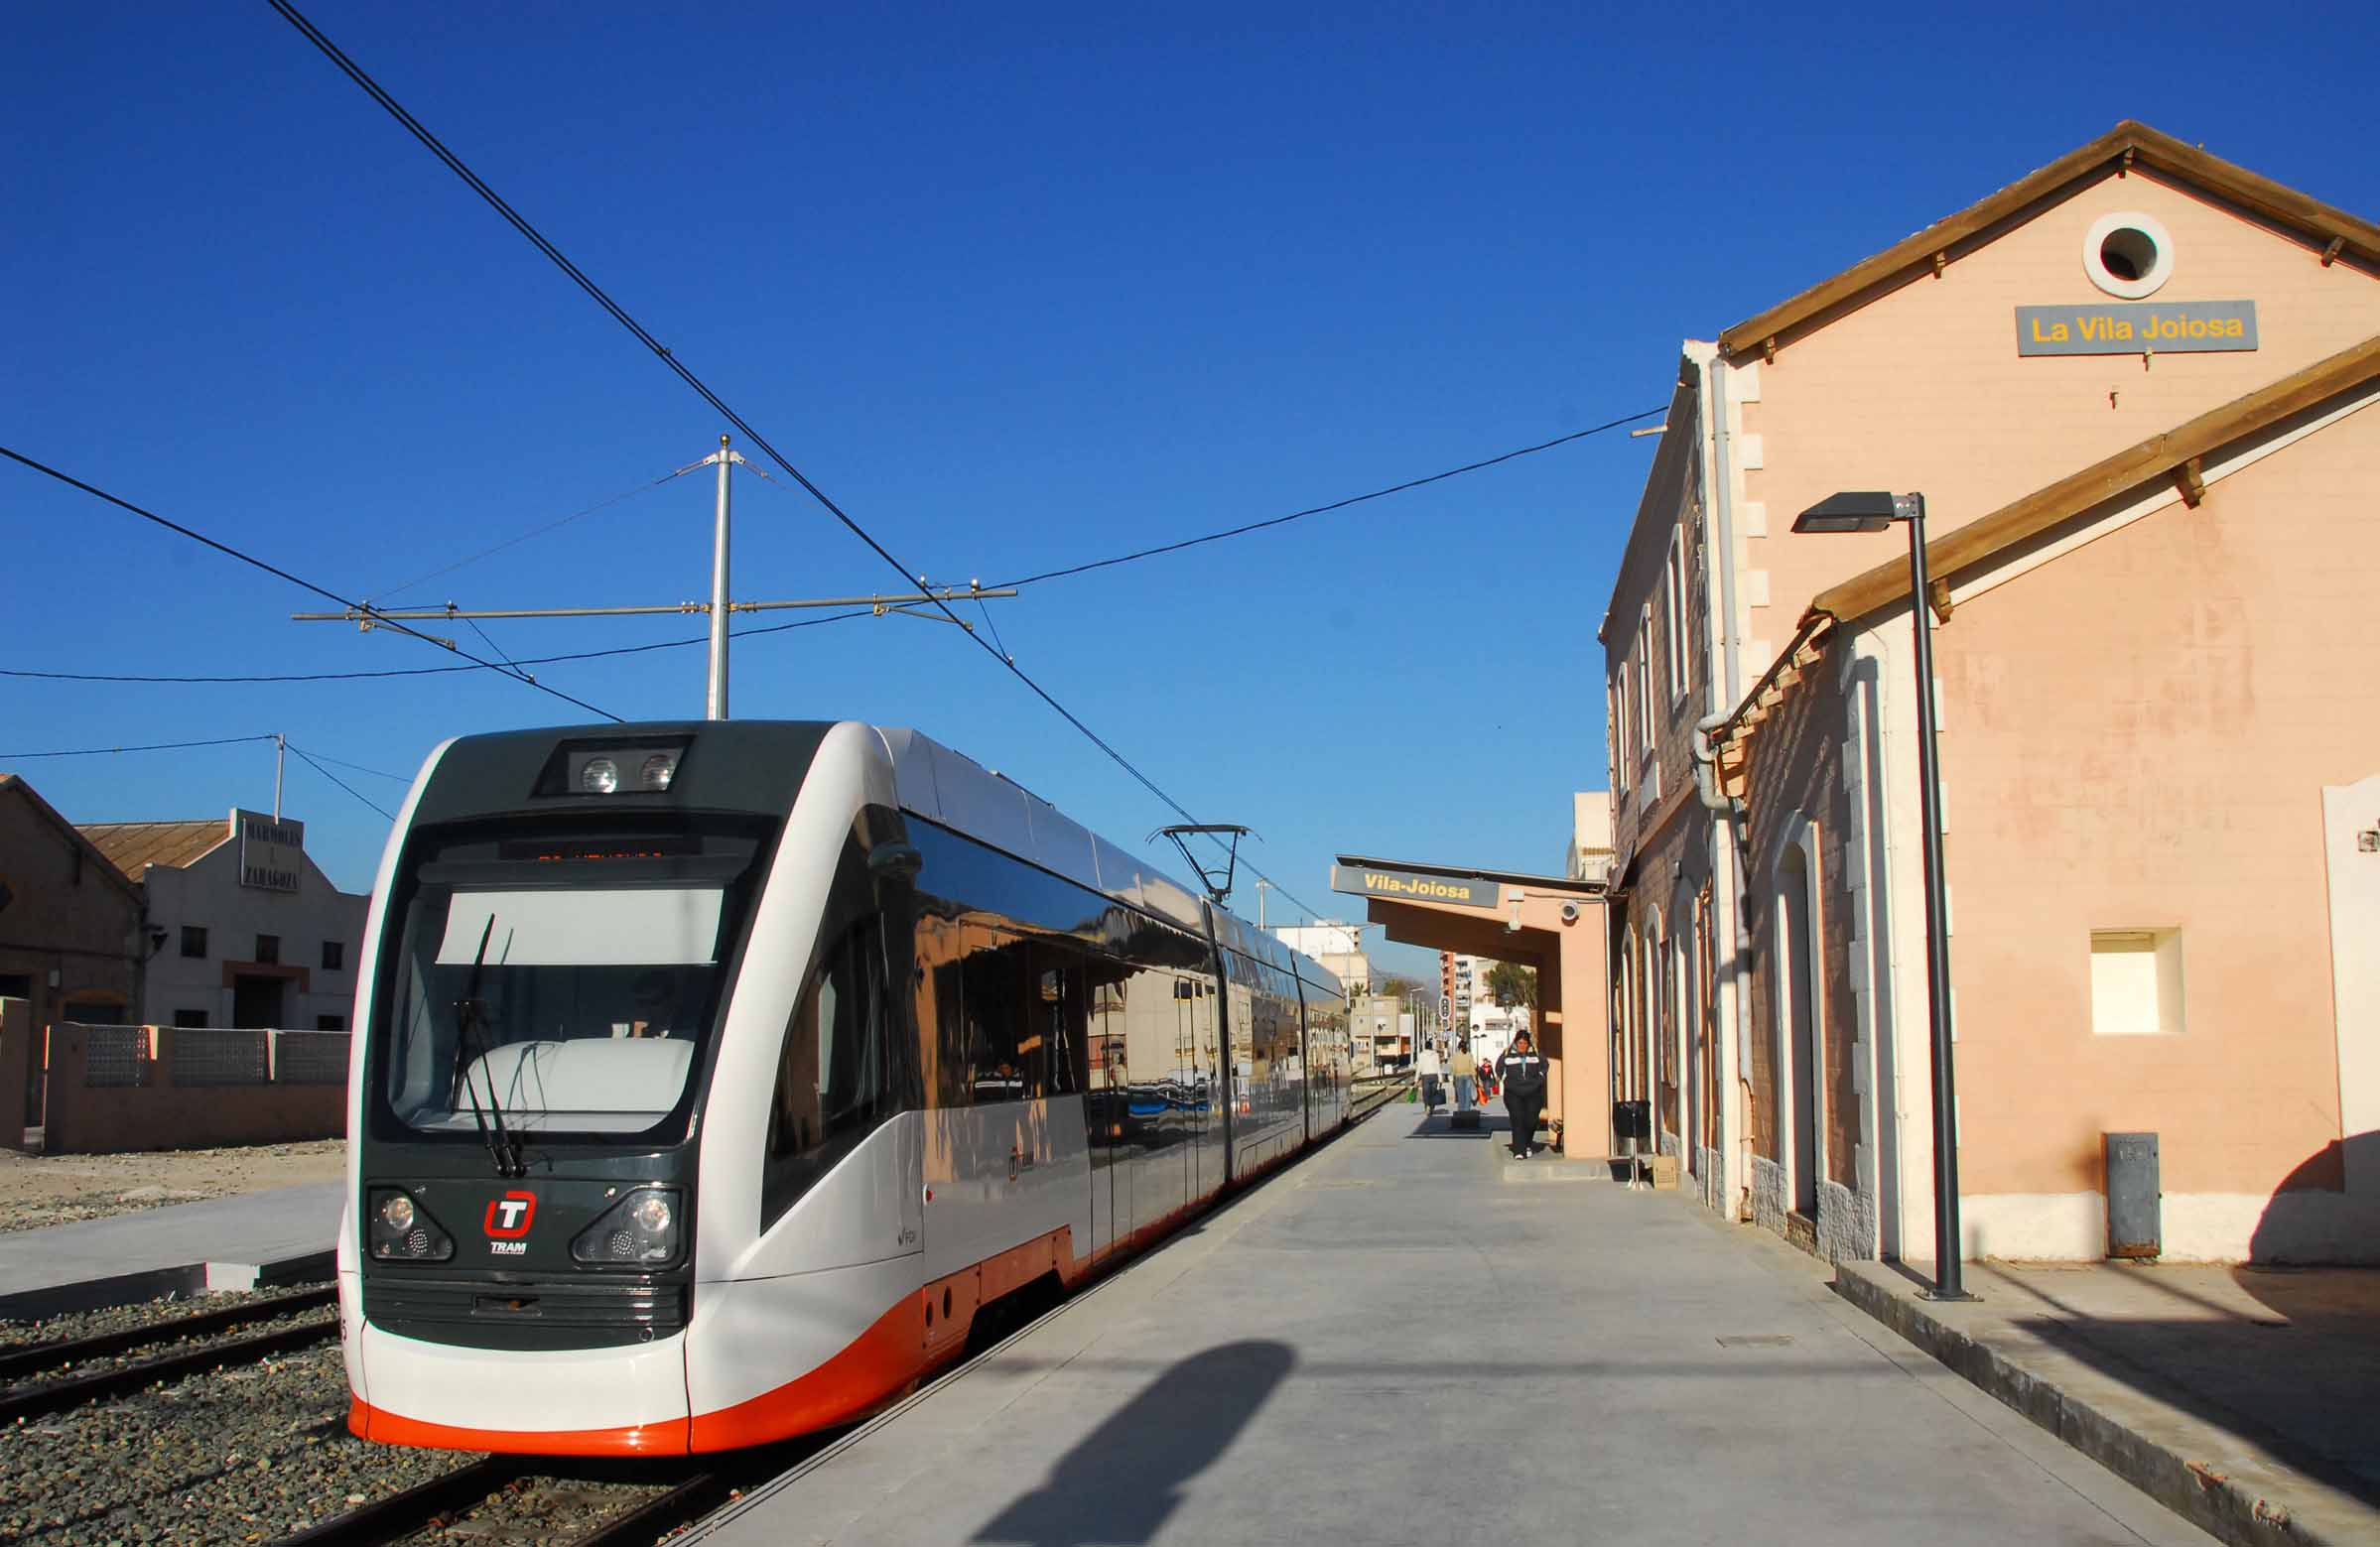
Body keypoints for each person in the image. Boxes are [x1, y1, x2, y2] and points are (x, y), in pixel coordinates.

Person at [1496, 1032, 1548, 1160]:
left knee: (1531, 1120)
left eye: (1525, 1043)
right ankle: (1519, 1150)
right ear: (1515, 1042)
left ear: (1528, 1043)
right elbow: (1499, 1068)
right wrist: (1505, 1080)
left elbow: (1545, 1065)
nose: (1522, 1046)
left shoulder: (1535, 1053)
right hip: (1513, 1093)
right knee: (1517, 1119)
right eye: (1520, 1043)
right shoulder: (1507, 1054)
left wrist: (1540, 1078)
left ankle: (1527, 1143)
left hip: (1533, 1092)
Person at [1449, 1041, 1476, 1111]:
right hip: (1468, 1076)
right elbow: (1472, 1066)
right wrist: (1474, 1076)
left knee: (1460, 1095)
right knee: (1468, 1094)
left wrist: (1453, 1077)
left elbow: (1453, 1067)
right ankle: (1467, 1110)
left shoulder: (1455, 1055)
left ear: (1458, 1047)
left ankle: (1461, 1111)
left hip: (1458, 1076)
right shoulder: (1469, 1055)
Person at [1417, 1042, 1444, 1111]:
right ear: (1431, 1047)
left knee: (1426, 1093)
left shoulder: (1421, 1055)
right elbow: (1438, 1067)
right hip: (1434, 1076)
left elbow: (1419, 1067)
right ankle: (1431, 1107)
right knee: (1433, 1093)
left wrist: (1416, 1079)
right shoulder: (1435, 1055)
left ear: (1425, 1047)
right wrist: (1440, 1079)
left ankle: (1427, 1106)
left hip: (1425, 1076)